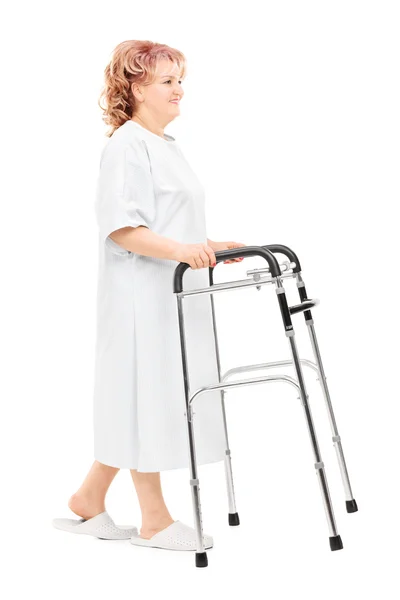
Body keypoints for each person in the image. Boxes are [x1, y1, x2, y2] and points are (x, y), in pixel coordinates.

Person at [52, 40, 245, 550]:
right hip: (140, 295)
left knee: (136, 398)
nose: (180, 89)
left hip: (171, 290)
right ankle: (155, 520)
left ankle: (89, 498)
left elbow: (168, 221)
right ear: (135, 87)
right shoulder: (127, 145)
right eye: (167, 81)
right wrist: (182, 249)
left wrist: (208, 245)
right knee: (148, 398)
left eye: (180, 79)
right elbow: (121, 228)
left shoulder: (166, 144)